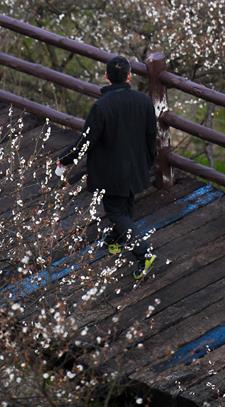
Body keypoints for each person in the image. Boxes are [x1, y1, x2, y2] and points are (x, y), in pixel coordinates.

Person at [55, 55, 158, 280]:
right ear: (129, 76)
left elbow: (86, 141)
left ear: (106, 77)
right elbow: (152, 136)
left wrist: (65, 159)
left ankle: (143, 253)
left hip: (111, 171)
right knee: (125, 205)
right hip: (137, 165)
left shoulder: (102, 107)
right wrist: (148, 162)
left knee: (115, 211)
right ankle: (116, 240)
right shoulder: (144, 101)